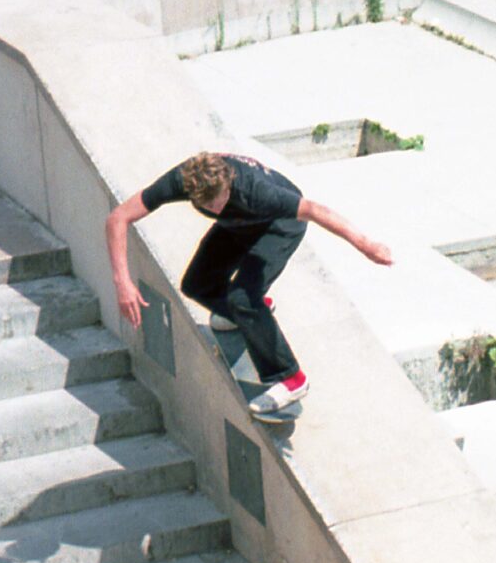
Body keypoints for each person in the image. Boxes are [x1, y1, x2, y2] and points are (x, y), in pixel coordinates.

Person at [107, 149, 393, 420]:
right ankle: (255, 314)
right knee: (197, 284)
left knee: (243, 298)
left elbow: (315, 210)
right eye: (207, 206)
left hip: (279, 226)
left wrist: (366, 245)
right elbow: (118, 217)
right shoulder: (182, 179)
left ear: (228, 183)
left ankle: (291, 378)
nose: (215, 209)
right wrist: (123, 282)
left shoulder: (257, 191)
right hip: (239, 224)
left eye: (219, 200)